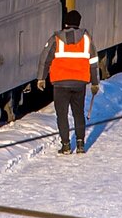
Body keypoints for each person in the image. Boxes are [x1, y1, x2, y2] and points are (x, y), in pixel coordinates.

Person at [37, 9, 99, 154]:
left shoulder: (56, 39)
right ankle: (80, 144)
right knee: (78, 113)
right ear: (78, 23)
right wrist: (95, 82)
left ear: (65, 23)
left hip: (60, 83)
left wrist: (41, 78)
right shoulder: (86, 39)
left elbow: (45, 59)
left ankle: (65, 145)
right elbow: (94, 62)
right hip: (79, 83)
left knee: (62, 115)